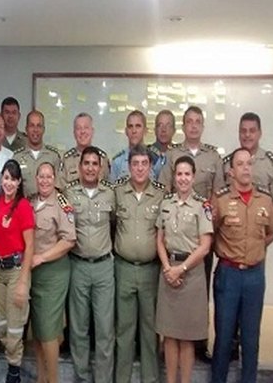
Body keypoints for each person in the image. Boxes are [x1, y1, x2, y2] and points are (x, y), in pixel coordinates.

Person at [158, 105, 224, 361]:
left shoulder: (213, 157)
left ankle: (200, 343)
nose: (194, 126)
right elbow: (165, 190)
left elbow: (216, 196)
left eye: (198, 121)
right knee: (172, 296)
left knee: (199, 293)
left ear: (203, 125)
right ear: (183, 126)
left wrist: (208, 231)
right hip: (175, 232)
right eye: (189, 121)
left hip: (200, 236)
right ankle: (169, 341)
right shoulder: (173, 154)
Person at [211, 148, 273, 383]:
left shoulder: (265, 200)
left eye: (249, 163)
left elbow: (269, 234)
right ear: (231, 172)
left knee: (251, 339)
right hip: (228, 275)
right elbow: (213, 232)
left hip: (254, 277)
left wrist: (253, 253)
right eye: (240, 164)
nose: (246, 168)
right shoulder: (220, 200)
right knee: (224, 338)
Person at [155, 155, 213, 383]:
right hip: (168, 271)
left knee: (187, 337)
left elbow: (206, 246)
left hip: (192, 274)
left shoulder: (202, 205)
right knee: (169, 335)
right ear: (174, 177)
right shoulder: (166, 203)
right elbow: (159, 240)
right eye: (179, 174)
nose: (183, 178)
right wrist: (168, 267)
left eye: (187, 174)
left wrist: (182, 269)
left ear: (194, 176)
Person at [114, 145, 164, 383]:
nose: (140, 168)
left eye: (145, 163)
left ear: (151, 167)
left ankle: (150, 379)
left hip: (150, 271)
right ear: (129, 166)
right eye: (136, 164)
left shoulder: (161, 195)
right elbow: (112, 223)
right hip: (123, 268)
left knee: (149, 330)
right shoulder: (118, 193)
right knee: (123, 331)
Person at [65, 146, 116, 383]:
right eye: (87, 163)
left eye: (95, 164)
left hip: (104, 267)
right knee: (79, 329)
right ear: (79, 166)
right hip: (78, 266)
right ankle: (83, 378)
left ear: (101, 168)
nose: (90, 168)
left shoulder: (110, 194)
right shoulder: (69, 193)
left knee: (105, 330)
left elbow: (116, 224)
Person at [30, 162, 76, 383]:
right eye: (41, 176)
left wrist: (42, 257)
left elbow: (69, 239)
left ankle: (53, 379)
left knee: (49, 331)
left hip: (53, 273)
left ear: (55, 179)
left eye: (49, 177)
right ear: (36, 178)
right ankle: (41, 378)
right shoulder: (30, 201)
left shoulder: (61, 203)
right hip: (33, 275)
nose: (45, 180)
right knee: (38, 330)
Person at [0, 160, 35, 383]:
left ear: (19, 182)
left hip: (17, 270)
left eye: (13, 179)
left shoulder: (23, 206)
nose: (8, 182)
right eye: (5, 178)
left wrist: (23, 282)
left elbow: (30, 246)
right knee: (3, 325)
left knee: (15, 328)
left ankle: (14, 372)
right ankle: (11, 361)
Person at [223, 112, 273, 217]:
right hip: (232, 226)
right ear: (238, 133)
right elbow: (220, 201)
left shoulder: (270, 164)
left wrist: (268, 231)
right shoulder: (227, 164)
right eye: (243, 131)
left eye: (252, 131)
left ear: (260, 133)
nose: (247, 135)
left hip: (259, 228)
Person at [12, 110, 62, 196]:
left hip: (47, 208)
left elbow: (59, 189)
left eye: (39, 126)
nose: (35, 130)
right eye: (32, 125)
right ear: (26, 129)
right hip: (24, 207)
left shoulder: (54, 157)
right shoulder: (16, 157)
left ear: (43, 129)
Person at [110, 110, 161, 182]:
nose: (134, 131)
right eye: (130, 126)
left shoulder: (156, 159)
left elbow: (161, 189)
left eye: (138, 126)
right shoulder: (118, 161)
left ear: (145, 130)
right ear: (126, 131)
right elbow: (112, 190)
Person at [61, 112, 109, 185]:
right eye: (78, 128)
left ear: (92, 131)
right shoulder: (66, 160)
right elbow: (61, 189)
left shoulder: (103, 158)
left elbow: (108, 188)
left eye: (86, 127)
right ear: (74, 133)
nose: (82, 131)